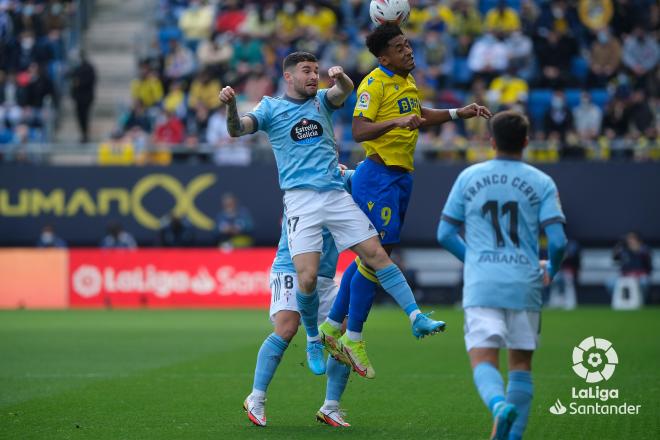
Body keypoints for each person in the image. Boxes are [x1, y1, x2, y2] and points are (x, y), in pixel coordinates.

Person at [219, 51, 445, 380]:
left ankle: (415, 317)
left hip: (336, 193)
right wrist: (229, 106)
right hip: (301, 200)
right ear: (289, 77)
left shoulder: (323, 100)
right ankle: (313, 338)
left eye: (316, 70)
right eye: (306, 71)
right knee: (307, 278)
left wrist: (340, 78)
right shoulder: (270, 107)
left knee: (376, 255)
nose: (314, 76)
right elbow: (238, 129)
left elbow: (345, 91)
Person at [319, 24, 490, 378]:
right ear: (384, 57)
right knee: (375, 258)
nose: (409, 51)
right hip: (377, 177)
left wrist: (460, 113)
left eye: (408, 44)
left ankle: (332, 326)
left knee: (376, 259)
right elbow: (360, 130)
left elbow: (420, 115)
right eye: (400, 48)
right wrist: (398, 121)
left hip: (400, 178)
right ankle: (352, 335)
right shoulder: (373, 83)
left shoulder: (406, 82)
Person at [437, 111, 567, 440]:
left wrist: (476, 260)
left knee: (483, 358)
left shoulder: (469, 177)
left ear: (491, 142)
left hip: (483, 284)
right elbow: (559, 241)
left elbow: (445, 233)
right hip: (525, 282)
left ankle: (497, 405)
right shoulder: (542, 181)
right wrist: (550, 268)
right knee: (521, 366)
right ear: (526, 142)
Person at [243, 170, 355, 429]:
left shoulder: (346, 179)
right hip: (291, 266)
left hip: (325, 273)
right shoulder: (301, 178)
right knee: (287, 327)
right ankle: (256, 398)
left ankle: (331, 408)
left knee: (345, 334)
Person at [69, 51, 96, 143]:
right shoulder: (76, 68)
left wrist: (79, 82)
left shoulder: (88, 67)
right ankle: (83, 134)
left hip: (86, 97)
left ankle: (85, 135)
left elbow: (91, 80)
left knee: (85, 116)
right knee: (79, 117)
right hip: (77, 97)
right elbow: (70, 76)